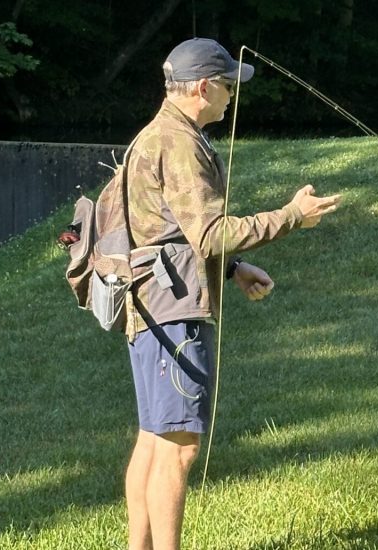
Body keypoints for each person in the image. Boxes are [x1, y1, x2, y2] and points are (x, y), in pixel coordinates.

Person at [120, 38, 341, 549]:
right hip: (172, 314)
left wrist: (234, 268)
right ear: (202, 87)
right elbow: (209, 232)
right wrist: (291, 216)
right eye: (227, 85)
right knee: (178, 450)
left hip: (151, 307)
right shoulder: (177, 143)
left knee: (155, 441)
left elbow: (171, 232)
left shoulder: (159, 135)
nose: (231, 95)